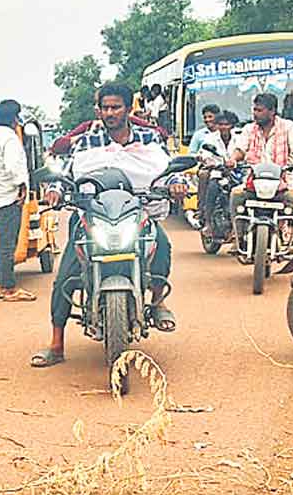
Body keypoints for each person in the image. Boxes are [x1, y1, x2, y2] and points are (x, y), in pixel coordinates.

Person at [31, 82, 183, 369]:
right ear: (98, 110)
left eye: (116, 107)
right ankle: (56, 343)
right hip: (92, 214)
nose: (110, 112)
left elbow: (167, 168)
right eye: (105, 107)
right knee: (67, 273)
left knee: (161, 246)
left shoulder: (150, 139)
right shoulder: (85, 142)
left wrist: (176, 183)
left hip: (138, 212)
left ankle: (158, 301)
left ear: (128, 108)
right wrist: (54, 189)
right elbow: (65, 172)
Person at [0, 100, 36, 303]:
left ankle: (2, 284)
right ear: (14, 119)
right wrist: (21, 187)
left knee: (5, 242)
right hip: (8, 196)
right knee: (7, 245)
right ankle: (6, 287)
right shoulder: (10, 139)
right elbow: (14, 167)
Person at [230, 92, 293, 237]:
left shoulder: (288, 126)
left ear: (272, 111)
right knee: (236, 196)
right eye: (254, 109)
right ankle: (239, 237)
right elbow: (240, 149)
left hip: (282, 181)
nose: (255, 114)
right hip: (254, 182)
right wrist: (233, 160)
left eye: (259, 110)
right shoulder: (249, 129)